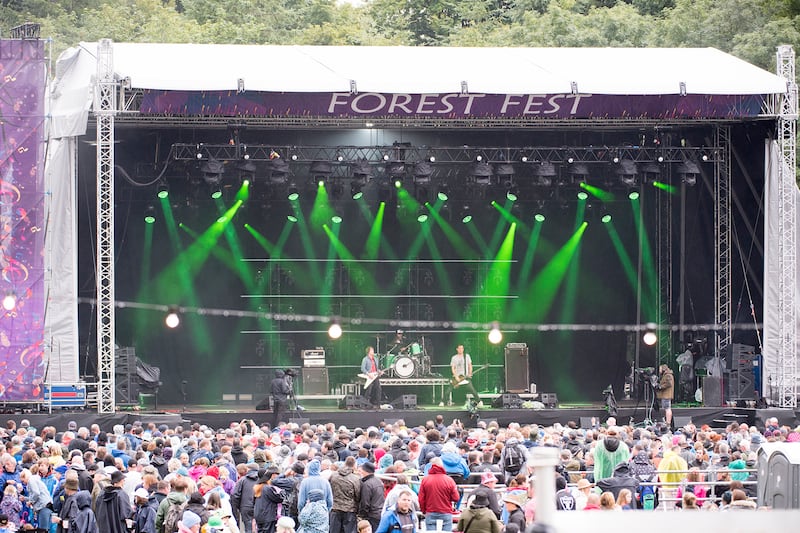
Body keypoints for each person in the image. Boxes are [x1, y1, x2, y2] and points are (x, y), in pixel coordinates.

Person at [418, 458, 458, 533]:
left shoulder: (425, 480)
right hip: (446, 511)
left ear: (431, 466)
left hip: (430, 511)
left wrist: (424, 511)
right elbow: (456, 498)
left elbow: (421, 499)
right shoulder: (449, 480)